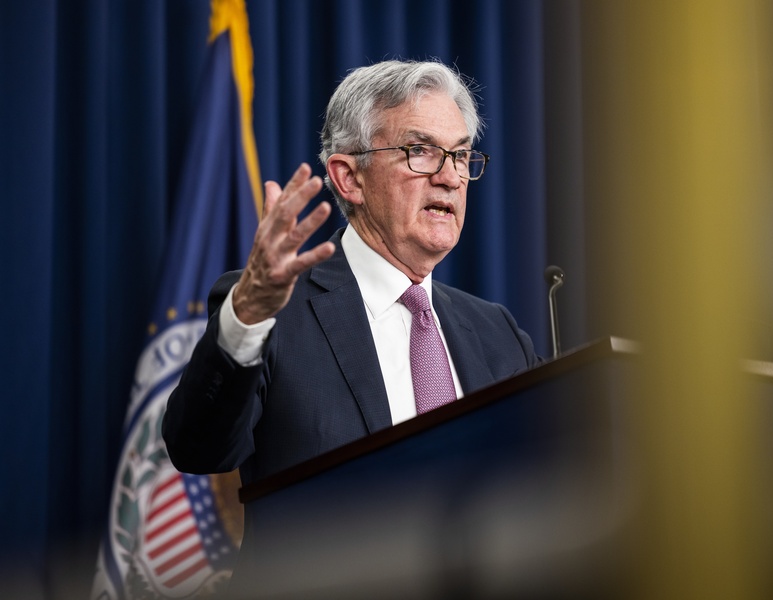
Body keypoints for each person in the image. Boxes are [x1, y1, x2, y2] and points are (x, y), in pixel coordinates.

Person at [162, 59, 543, 584]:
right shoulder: (271, 310)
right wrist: (248, 315)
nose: (451, 177)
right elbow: (198, 448)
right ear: (349, 178)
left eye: (459, 155)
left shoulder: (498, 333)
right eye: (421, 151)